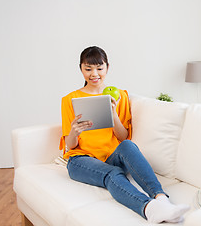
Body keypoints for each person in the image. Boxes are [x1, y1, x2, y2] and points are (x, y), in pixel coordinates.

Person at [59, 46, 189, 223]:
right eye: (88, 69)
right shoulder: (70, 100)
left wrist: (112, 114)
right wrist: (74, 132)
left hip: (111, 155)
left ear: (107, 67)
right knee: (112, 173)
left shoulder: (120, 96)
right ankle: (148, 209)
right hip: (80, 160)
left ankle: (161, 199)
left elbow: (123, 137)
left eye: (99, 68)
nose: (94, 73)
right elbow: (71, 145)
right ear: (81, 68)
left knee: (128, 146)